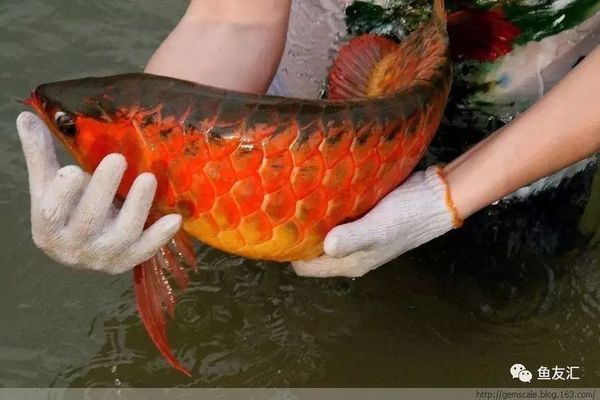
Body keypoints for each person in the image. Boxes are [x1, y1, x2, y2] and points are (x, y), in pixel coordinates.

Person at [16, 0, 600, 277]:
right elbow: (234, 16)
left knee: (495, 329)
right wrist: (130, 181)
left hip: (537, 130)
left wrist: (445, 199)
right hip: (292, 143)